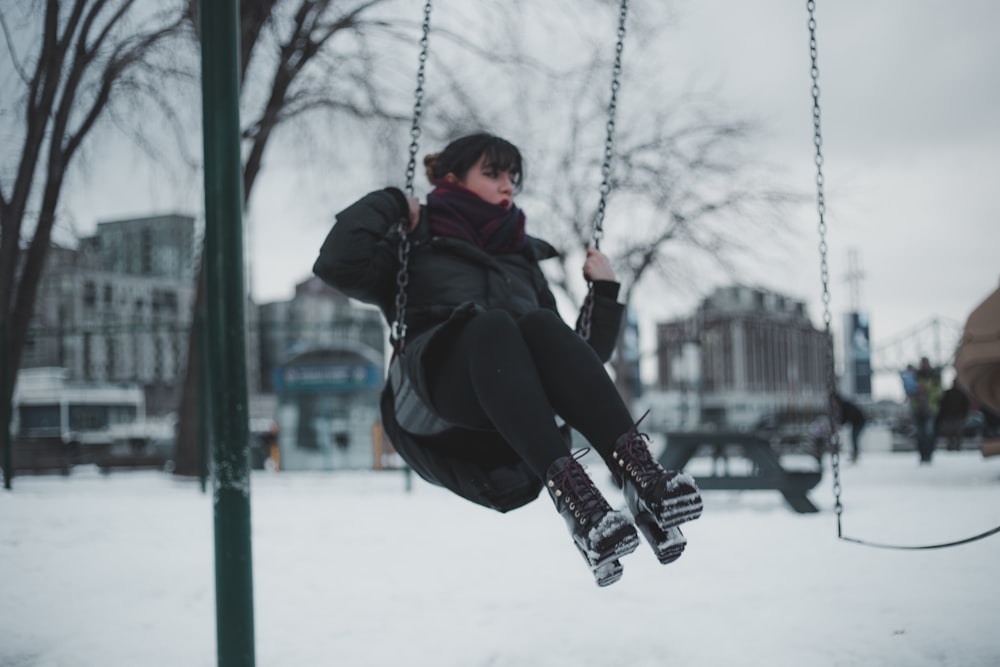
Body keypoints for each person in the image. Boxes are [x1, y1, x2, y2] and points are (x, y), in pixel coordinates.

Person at [312, 132, 702, 586]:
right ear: (452, 179)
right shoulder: (412, 243)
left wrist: (605, 293)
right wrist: (393, 203)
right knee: (493, 324)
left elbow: (577, 364)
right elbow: (336, 264)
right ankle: (577, 497)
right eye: (493, 174)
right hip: (436, 401)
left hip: (514, 421)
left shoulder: (521, 259)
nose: (507, 186)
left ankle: (640, 482)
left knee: (538, 325)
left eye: (513, 177)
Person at [905, 357, 943, 464]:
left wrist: (926, 391)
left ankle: (929, 454)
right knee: (920, 433)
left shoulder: (935, 376)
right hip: (917, 408)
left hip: (930, 409)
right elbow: (909, 389)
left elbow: (940, 392)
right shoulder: (915, 376)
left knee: (928, 432)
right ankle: (922, 455)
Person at [935, 379, 970, 451]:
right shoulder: (948, 393)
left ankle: (958, 446)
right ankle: (950, 445)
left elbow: (966, 404)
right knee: (949, 432)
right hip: (949, 416)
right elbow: (942, 404)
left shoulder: (962, 393)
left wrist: (964, 414)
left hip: (959, 416)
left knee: (958, 432)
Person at [834, 393, 866, 462]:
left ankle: (855, 455)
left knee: (854, 438)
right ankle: (854, 455)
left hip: (859, 422)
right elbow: (845, 417)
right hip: (857, 422)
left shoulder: (845, 406)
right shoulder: (845, 405)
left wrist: (840, 424)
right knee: (853, 438)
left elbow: (846, 416)